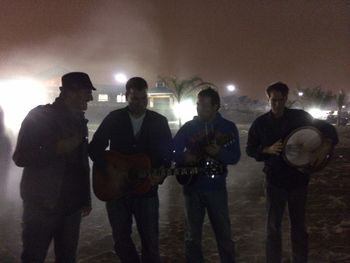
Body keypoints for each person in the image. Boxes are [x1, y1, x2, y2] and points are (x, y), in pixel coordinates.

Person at [246, 82, 338, 263]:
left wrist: (326, 144)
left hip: (298, 180)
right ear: (268, 99)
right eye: (274, 100)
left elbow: (329, 129)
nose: (277, 104)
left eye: (281, 100)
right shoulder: (261, 123)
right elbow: (250, 149)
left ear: (286, 99)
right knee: (273, 227)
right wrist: (267, 150)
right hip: (274, 181)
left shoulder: (300, 117)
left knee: (299, 227)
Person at [13, 72, 95, 263]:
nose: (90, 98)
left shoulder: (80, 121)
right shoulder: (39, 116)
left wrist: (85, 197)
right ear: (69, 93)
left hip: (72, 207)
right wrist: (55, 149)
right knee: (34, 256)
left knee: (67, 258)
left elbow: (81, 163)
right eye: (86, 92)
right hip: (42, 206)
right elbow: (20, 156)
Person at [89, 77, 172, 263]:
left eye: (144, 99)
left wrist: (161, 174)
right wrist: (111, 169)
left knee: (151, 240)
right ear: (126, 96)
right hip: (116, 191)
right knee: (120, 239)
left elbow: (167, 155)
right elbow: (95, 148)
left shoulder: (159, 121)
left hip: (147, 189)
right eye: (135, 99)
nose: (140, 103)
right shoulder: (114, 118)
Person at [173, 87, 241, 263]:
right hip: (191, 188)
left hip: (216, 189)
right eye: (198, 104)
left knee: (224, 235)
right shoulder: (189, 127)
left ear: (215, 106)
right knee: (191, 237)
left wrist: (219, 153)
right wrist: (183, 156)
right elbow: (172, 150)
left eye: (203, 105)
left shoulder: (228, 128)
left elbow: (235, 157)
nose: (198, 108)